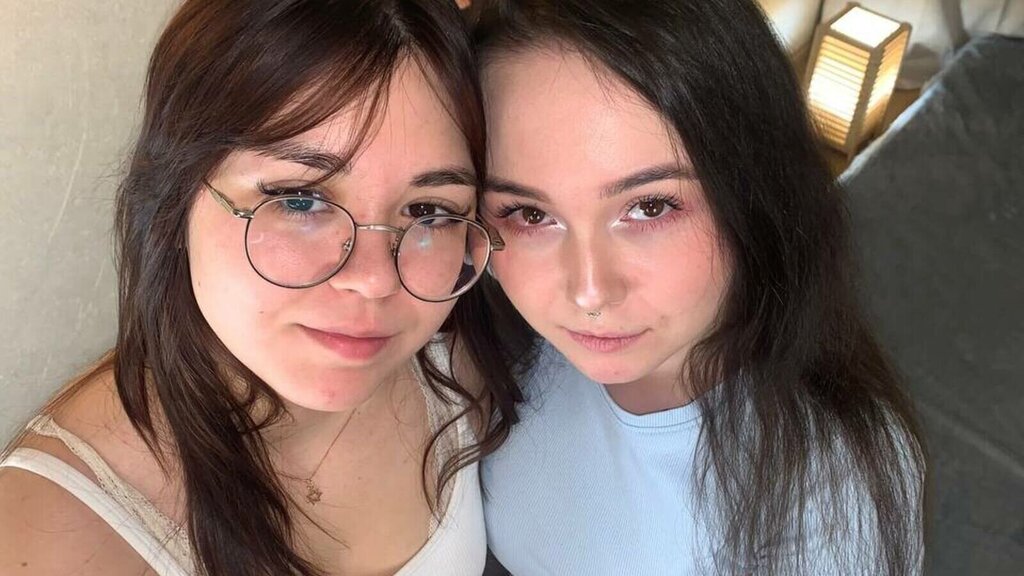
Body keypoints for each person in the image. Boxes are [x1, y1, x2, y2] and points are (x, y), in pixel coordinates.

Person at [0, 1, 520, 575]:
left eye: (428, 210)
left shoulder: (460, 374)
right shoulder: (51, 539)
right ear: (175, 200)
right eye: (300, 200)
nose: (374, 281)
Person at [470, 0, 927, 574]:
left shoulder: (830, 494)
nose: (589, 294)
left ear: (754, 195)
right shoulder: (491, 341)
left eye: (650, 207)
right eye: (531, 215)